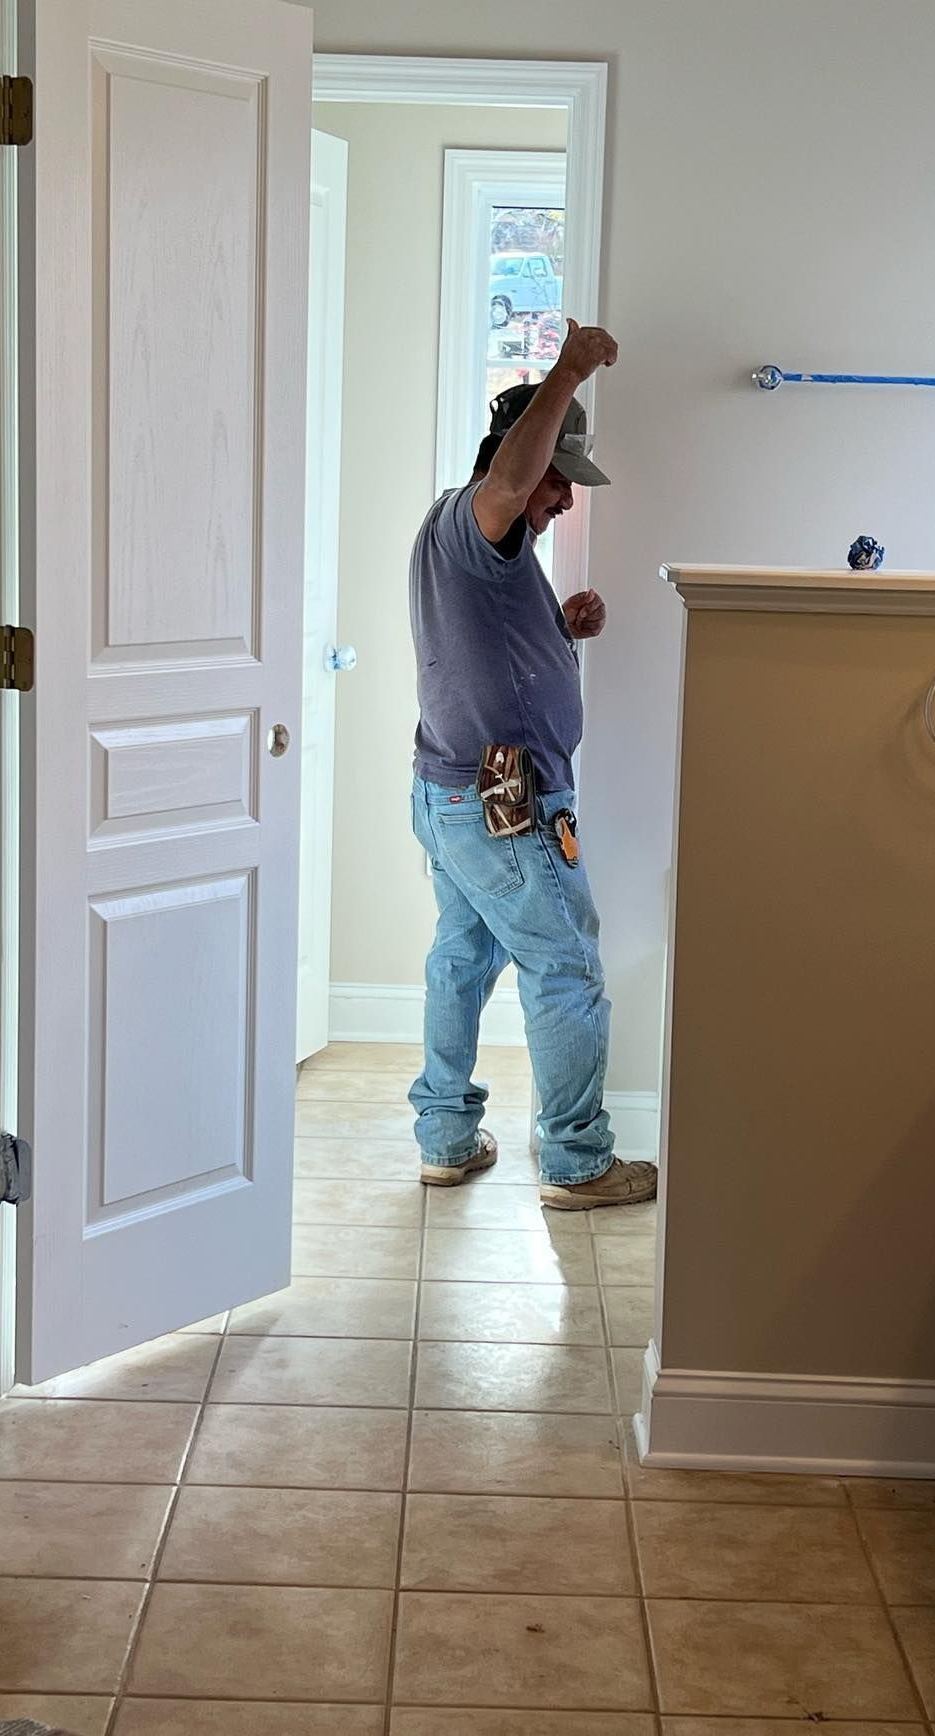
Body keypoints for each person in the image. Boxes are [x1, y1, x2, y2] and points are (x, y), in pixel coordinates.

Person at [406, 319, 658, 1212]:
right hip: (503, 796)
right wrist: (571, 364)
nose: (564, 501)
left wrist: (562, 633)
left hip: (452, 789)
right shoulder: (483, 516)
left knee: (463, 959)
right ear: (521, 459)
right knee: (567, 968)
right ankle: (579, 1162)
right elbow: (512, 481)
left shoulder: (467, 540)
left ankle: (444, 1138)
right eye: (560, 481)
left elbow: (486, 660)